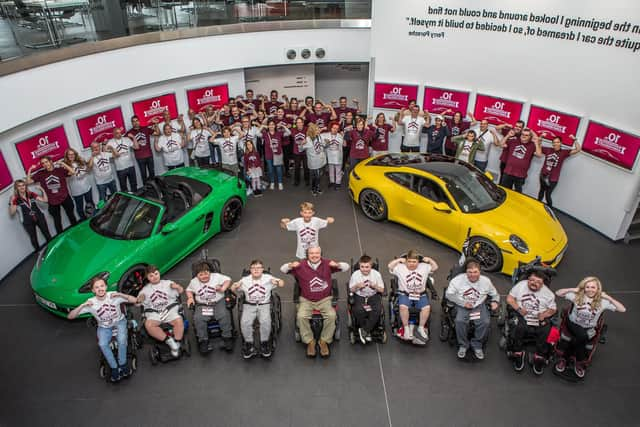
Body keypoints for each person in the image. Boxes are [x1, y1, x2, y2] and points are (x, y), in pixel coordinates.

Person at [281, 246, 349, 357]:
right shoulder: (300, 265)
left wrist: (337, 265)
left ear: (321, 254)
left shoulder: (327, 263)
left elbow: (346, 267)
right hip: (306, 300)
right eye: (311, 253)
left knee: (332, 316)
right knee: (301, 316)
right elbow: (282, 269)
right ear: (307, 254)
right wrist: (290, 265)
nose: (314, 255)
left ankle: (323, 341)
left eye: (317, 253)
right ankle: (310, 342)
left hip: (324, 299)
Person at [67, 276, 137, 382]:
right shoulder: (91, 303)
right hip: (104, 327)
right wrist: (82, 305)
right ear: (93, 290)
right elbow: (70, 316)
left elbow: (135, 300)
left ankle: (122, 365)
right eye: (96, 287)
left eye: (102, 286)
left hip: (119, 322)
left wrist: (121, 294)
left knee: (122, 340)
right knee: (102, 344)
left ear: (106, 286)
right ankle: (114, 368)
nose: (100, 289)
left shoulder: (113, 295)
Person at [555, 277, 626, 378]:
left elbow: (622, 309)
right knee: (583, 337)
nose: (590, 289)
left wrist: (608, 298)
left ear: (598, 289)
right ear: (583, 288)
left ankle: (564, 358)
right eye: (587, 287)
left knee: (580, 337)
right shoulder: (577, 296)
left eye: (593, 287)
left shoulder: (603, 301)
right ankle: (579, 362)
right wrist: (573, 289)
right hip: (572, 324)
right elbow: (558, 293)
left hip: (589, 328)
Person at [445, 259, 499, 359]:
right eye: (470, 272)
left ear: (479, 271)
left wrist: (495, 301)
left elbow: (495, 294)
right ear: (466, 272)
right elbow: (448, 295)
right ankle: (463, 345)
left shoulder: (486, 281)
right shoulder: (457, 280)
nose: (472, 275)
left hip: (478, 305)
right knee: (459, 321)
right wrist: (463, 303)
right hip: (462, 305)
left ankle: (477, 345)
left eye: (475, 272)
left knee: (485, 322)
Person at [231, 259, 285, 359]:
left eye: (258, 268)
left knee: (265, 321)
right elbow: (232, 288)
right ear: (250, 270)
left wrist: (277, 282)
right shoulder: (245, 280)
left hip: (264, 304)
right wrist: (235, 286)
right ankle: (249, 343)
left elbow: (282, 283)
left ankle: (264, 342)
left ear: (262, 269)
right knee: (245, 322)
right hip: (249, 304)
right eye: (253, 268)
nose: (256, 270)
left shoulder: (268, 278)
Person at [506, 271, 557, 371]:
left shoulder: (549, 294)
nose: (534, 283)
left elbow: (553, 309)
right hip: (521, 313)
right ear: (528, 279)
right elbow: (510, 298)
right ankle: (518, 353)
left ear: (542, 284)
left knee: (546, 330)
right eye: (532, 280)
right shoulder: (520, 285)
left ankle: (539, 356)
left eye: (538, 282)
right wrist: (519, 309)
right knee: (519, 327)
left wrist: (544, 315)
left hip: (538, 317)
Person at [388, 250, 439, 345]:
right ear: (406, 261)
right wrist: (399, 260)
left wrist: (430, 260)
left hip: (420, 294)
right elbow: (390, 266)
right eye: (409, 261)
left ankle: (420, 327)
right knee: (403, 307)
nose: (411, 264)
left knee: (426, 308)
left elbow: (435, 267)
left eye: (414, 262)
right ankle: (406, 328)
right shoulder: (400, 268)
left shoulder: (424, 267)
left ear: (418, 262)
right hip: (405, 294)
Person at [186, 261, 234, 354]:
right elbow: (188, 290)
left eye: (206, 273)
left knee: (224, 315)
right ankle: (203, 340)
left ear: (209, 272)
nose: (204, 276)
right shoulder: (194, 282)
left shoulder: (216, 276)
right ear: (197, 275)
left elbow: (228, 280)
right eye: (201, 274)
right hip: (203, 304)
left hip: (218, 302)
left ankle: (227, 337)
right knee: (198, 318)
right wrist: (190, 298)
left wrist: (223, 288)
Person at [137, 265, 185, 358]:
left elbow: (181, 291)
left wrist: (177, 287)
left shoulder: (168, 283)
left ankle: (177, 342)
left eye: (156, 274)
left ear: (159, 273)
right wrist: (141, 298)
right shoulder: (145, 290)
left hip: (169, 309)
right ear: (147, 277)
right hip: (154, 313)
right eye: (151, 276)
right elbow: (138, 303)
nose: (154, 277)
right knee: (149, 325)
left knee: (179, 321)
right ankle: (170, 341)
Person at [26, 156, 77, 235]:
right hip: (52, 201)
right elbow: (28, 182)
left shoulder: (59, 170)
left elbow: (73, 172)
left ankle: (77, 231)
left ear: (50, 161)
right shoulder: (40, 173)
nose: (45, 164)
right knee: (57, 221)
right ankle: (60, 237)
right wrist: (30, 169)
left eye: (46, 162)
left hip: (65, 197)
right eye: (43, 163)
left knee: (71, 215)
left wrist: (62, 163)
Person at [349, 255, 385, 344]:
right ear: (359, 266)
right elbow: (351, 289)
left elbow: (382, 290)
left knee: (377, 310)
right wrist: (357, 286)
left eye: (367, 267)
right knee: (358, 310)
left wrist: (375, 286)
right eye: (362, 267)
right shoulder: (355, 274)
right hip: (359, 296)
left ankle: (364, 330)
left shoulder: (376, 274)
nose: (365, 269)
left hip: (373, 295)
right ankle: (367, 331)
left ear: (371, 266)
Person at [538, 135, 581, 207]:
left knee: (548, 195)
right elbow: (538, 146)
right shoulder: (548, 150)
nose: (555, 144)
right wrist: (541, 137)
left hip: (553, 179)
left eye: (557, 142)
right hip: (543, 175)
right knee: (541, 192)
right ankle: (537, 206)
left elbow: (578, 149)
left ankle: (550, 211)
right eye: (554, 142)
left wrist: (575, 140)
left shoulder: (564, 152)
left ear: (561, 143)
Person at [8, 179, 51, 251]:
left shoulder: (31, 194)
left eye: (23, 185)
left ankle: (53, 249)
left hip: (39, 217)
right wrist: (11, 202)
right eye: (19, 186)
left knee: (47, 234)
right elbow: (12, 213)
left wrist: (42, 189)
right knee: (33, 239)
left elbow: (45, 200)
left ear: (25, 186)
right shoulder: (15, 198)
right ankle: (39, 253)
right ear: (16, 188)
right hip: (27, 221)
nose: (22, 187)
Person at [497, 128, 543, 193]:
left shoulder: (532, 145)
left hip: (520, 175)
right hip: (508, 172)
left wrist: (536, 143)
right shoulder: (514, 141)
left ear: (530, 137)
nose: (523, 136)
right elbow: (501, 144)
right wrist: (508, 135)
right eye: (522, 134)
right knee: (503, 190)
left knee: (518, 193)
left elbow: (539, 155)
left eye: (526, 135)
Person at [60, 148, 94, 221]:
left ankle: (93, 217)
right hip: (77, 191)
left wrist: (90, 159)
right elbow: (70, 173)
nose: (71, 156)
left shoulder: (80, 161)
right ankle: (84, 221)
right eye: (69, 154)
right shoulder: (64, 167)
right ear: (66, 156)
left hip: (87, 187)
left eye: (73, 154)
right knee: (80, 208)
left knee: (90, 203)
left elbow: (88, 170)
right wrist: (64, 164)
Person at [106, 128, 139, 193]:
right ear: (113, 134)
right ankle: (126, 200)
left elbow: (136, 147)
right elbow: (106, 153)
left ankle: (136, 196)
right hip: (120, 168)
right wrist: (110, 148)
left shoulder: (126, 139)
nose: (119, 134)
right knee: (123, 187)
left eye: (120, 132)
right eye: (117, 133)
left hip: (130, 166)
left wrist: (134, 137)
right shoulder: (110, 142)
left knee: (134, 184)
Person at [262, 119, 290, 190]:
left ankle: (280, 182)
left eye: (273, 124)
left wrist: (283, 126)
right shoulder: (265, 134)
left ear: (275, 126)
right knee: (270, 170)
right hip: (269, 154)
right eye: (270, 124)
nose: (271, 126)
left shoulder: (279, 133)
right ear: (268, 126)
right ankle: (272, 182)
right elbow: (256, 134)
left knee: (278, 169)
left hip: (278, 154)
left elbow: (289, 133)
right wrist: (262, 126)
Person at [300, 123, 328, 196]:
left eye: (318, 129)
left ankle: (317, 187)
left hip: (321, 160)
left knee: (319, 175)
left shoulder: (319, 137)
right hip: (313, 162)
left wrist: (326, 143)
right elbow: (300, 150)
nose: (318, 130)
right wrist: (301, 144)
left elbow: (323, 145)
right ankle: (313, 189)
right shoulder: (307, 139)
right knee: (315, 176)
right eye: (316, 129)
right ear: (312, 131)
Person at [126, 115, 155, 184]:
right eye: (133, 121)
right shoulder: (129, 133)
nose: (135, 123)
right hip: (140, 157)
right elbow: (123, 141)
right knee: (143, 174)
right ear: (132, 123)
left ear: (139, 121)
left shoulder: (145, 128)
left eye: (137, 121)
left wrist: (155, 124)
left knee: (152, 173)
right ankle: (147, 189)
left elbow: (155, 132)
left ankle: (155, 187)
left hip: (149, 155)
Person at [322, 122, 345, 190]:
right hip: (330, 155)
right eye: (334, 128)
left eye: (337, 129)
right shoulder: (325, 135)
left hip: (338, 156)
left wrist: (343, 137)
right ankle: (332, 182)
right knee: (331, 170)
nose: (335, 130)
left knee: (338, 170)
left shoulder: (340, 135)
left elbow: (344, 145)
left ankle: (338, 183)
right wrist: (326, 143)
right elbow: (322, 143)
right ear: (331, 128)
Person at [290, 117, 310, 187]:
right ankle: (296, 180)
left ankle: (307, 180)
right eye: (297, 123)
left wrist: (307, 139)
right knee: (297, 167)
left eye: (300, 122)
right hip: (296, 152)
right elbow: (292, 136)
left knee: (306, 166)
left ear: (303, 123)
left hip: (305, 152)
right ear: (296, 124)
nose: (299, 124)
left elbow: (311, 136)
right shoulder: (293, 129)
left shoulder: (306, 129)